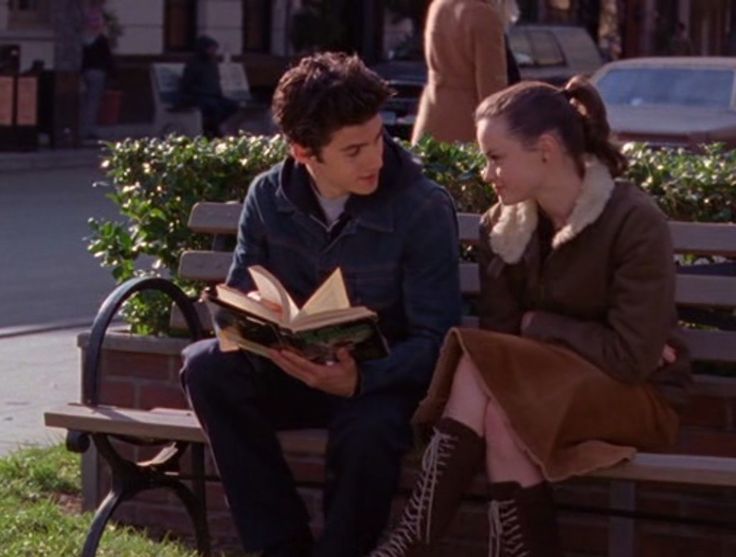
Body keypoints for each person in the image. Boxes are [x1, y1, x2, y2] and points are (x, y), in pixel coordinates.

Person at [371, 76, 692, 556]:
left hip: (635, 397)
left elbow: (630, 360)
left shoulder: (632, 219)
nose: (486, 174)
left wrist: (539, 326)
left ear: (545, 149)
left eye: (496, 157)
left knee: (485, 371)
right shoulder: (503, 227)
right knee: (500, 409)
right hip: (542, 389)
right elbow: (504, 344)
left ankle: (413, 537)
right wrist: (549, 336)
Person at [180, 52, 462, 557]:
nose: (375, 159)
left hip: (381, 386)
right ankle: (279, 546)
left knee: (369, 433)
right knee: (205, 368)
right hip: (292, 370)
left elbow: (437, 338)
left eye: (378, 138)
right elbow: (243, 291)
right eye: (354, 150)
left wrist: (361, 379)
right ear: (304, 151)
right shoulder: (268, 195)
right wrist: (253, 323)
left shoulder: (421, 206)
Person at [411, 0, 508, 145]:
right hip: (466, 118)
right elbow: (491, 83)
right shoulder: (484, 15)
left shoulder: (439, 6)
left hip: (432, 108)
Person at [180, 35, 239, 136]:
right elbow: (187, 85)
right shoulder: (193, 63)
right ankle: (213, 130)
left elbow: (215, 81)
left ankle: (211, 125)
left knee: (232, 105)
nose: (213, 52)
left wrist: (218, 93)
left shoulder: (212, 63)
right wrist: (202, 92)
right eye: (211, 49)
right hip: (197, 96)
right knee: (213, 106)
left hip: (213, 95)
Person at [80, 9, 115, 140]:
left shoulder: (83, 39)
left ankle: (83, 127)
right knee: (93, 102)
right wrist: (113, 74)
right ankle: (89, 129)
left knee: (85, 102)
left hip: (84, 72)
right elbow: (107, 58)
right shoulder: (101, 40)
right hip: (98, 72)